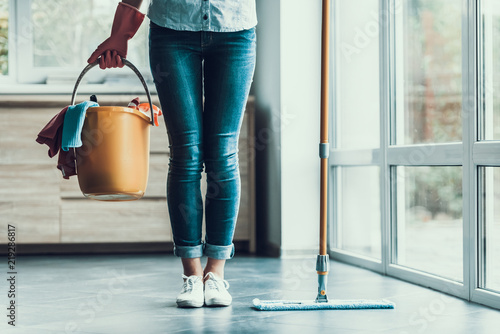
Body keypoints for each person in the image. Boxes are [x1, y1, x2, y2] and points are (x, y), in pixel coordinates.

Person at [88, 0, 257, 308]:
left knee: (222, 154)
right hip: (172, 32)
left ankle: (215, 273)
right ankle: (192, 274)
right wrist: (121, 33)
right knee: (186, 153)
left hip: (236, 30)